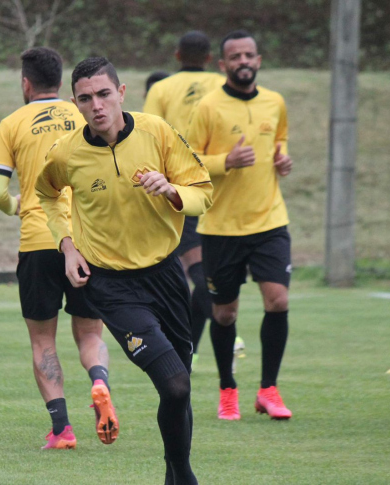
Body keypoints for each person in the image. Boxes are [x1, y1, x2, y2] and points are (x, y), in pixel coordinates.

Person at [36, 57, 213, 484]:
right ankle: (184, 476)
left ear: (121, 92)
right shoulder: (66, 153)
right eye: (85, 98)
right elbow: (46, 194)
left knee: (180, 385)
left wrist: (172, 191)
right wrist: (67, 246)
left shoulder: (157, 132)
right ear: (74, 103)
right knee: (173, 384)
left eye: (103, 94)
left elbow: (203, 192)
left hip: (167, 276)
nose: (96, 105)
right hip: (112, 286)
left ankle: (173, 475)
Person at [0, 47, 115, 450]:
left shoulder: (12, 123)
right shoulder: (84, 112)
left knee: (43, 341)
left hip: (39, 243)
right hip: (86, 241)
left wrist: (17, 207)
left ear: (26, 83)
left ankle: (62, 429)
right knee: (90, 333)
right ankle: (99, 382)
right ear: (64, 83)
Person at [186, 30, 294, 421]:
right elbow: (188, 160)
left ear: (259, 60)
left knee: (278, 300)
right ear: (222, 65)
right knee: (225, 313)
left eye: (250, 54)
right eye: (235, 56)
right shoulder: (209, 107)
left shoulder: (275, 102)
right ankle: (227, 388)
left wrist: (283, 161)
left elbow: (279, 142)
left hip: (269, 220)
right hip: (221, 228)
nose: (243, 61)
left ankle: (268, 389)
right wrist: (224, 162)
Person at [143, 30, 226, 366]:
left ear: (177, 55)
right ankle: (191, 349)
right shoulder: (224, 87)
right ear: (210, 58)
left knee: (196, 277)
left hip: (181, 192)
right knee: (202, 277)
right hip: (225, 193)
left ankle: (223, 339)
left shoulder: (161, 89)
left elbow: (146, 135)